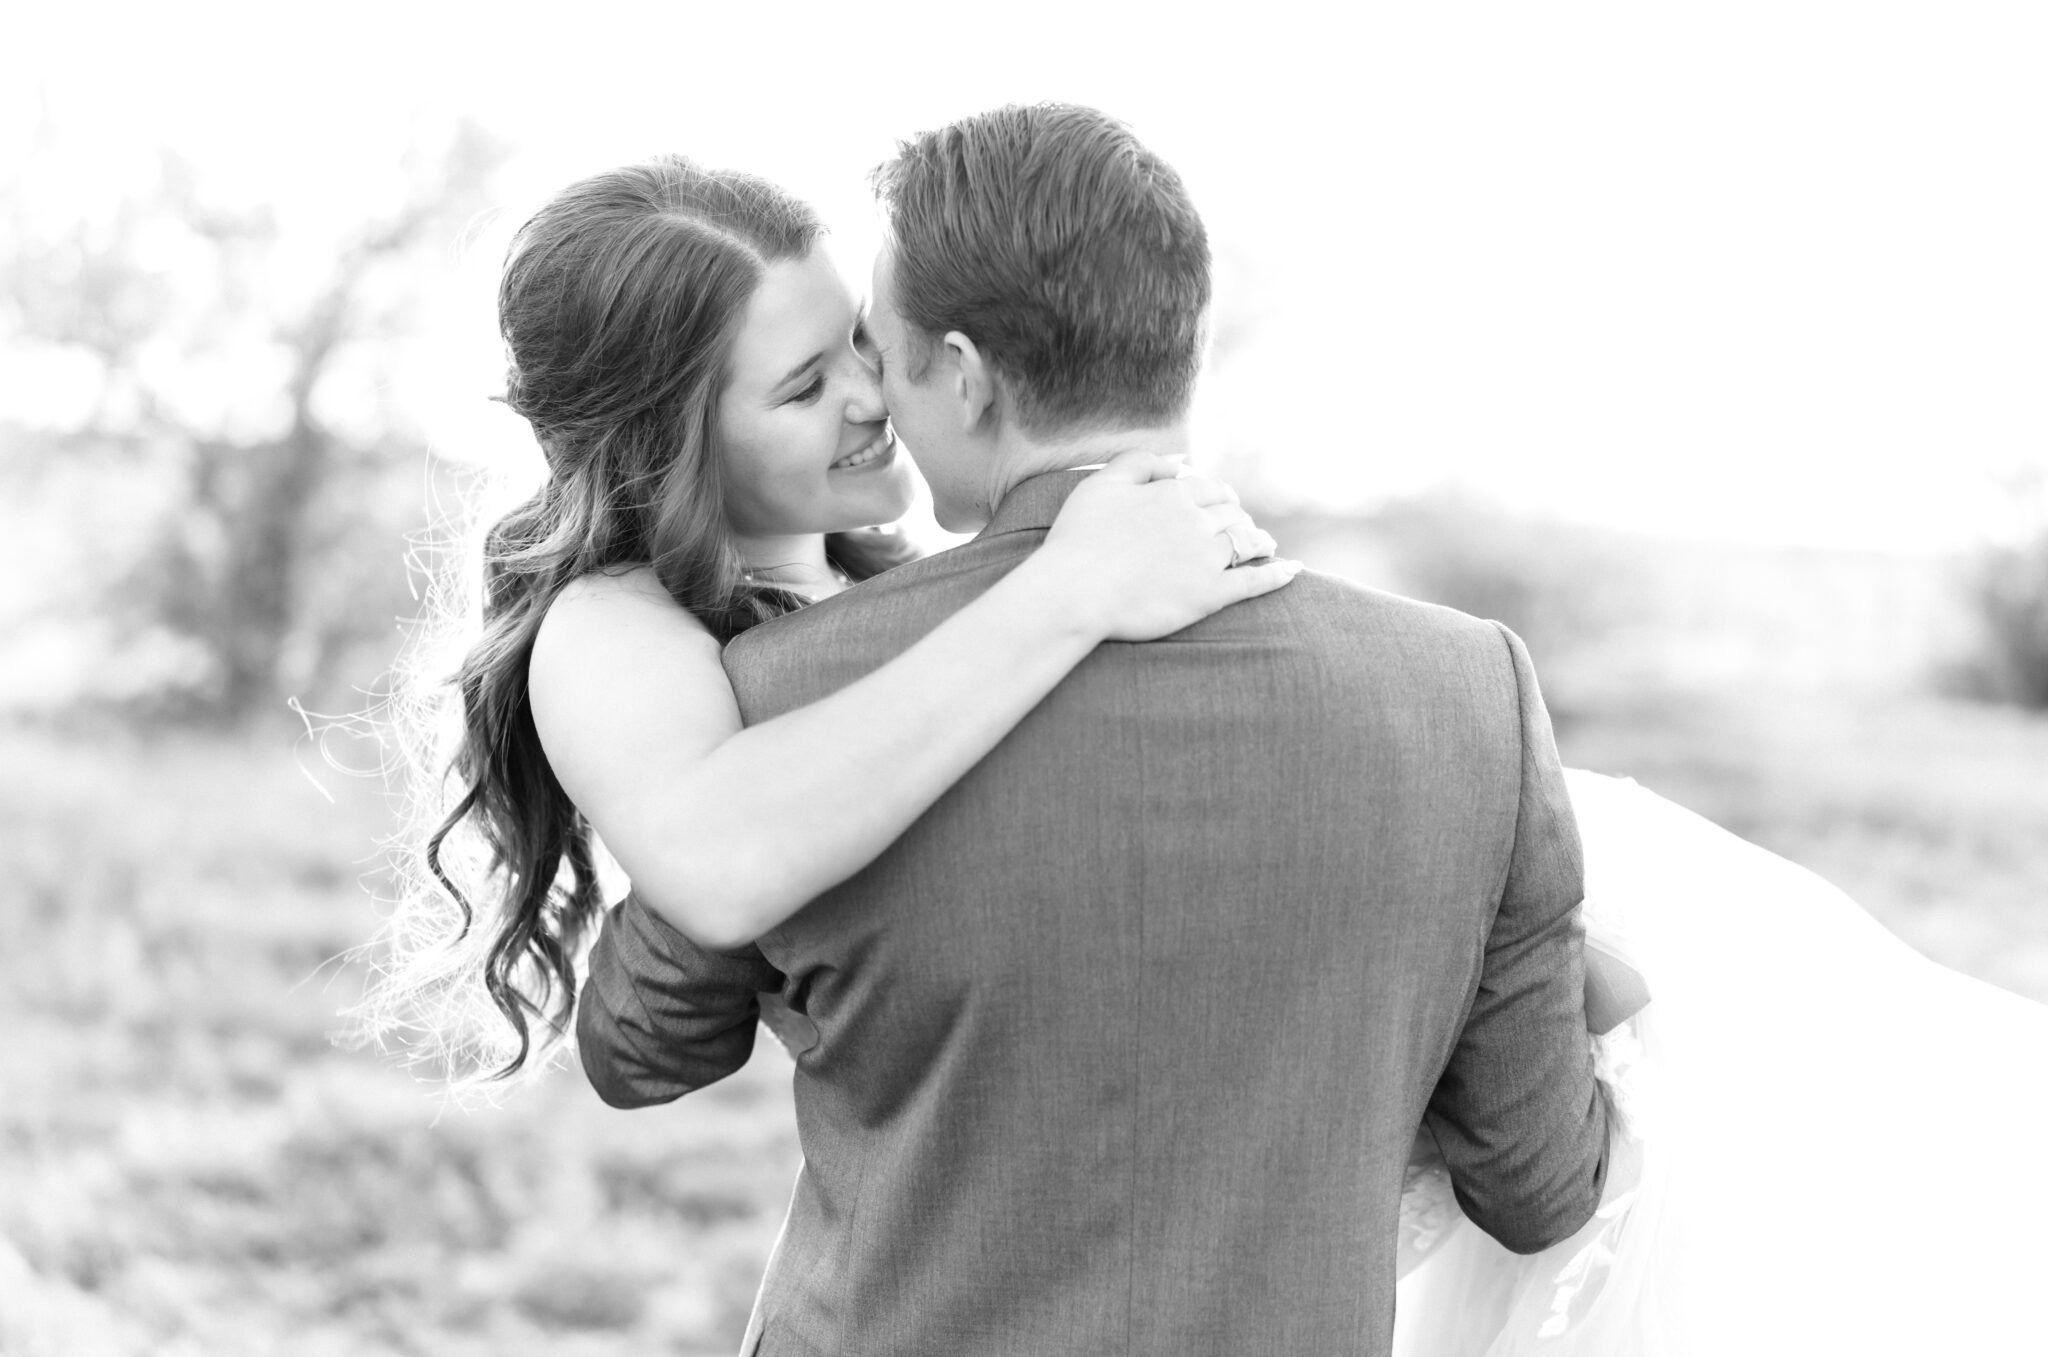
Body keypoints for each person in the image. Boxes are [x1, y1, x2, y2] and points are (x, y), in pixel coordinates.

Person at [571, 106, 2048, 1357]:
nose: (873, 400)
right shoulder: (1465, 692)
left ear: (963, 371)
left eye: (880, 354)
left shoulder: (788, 696)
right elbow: (1541, 1185)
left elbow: (644, 1045)